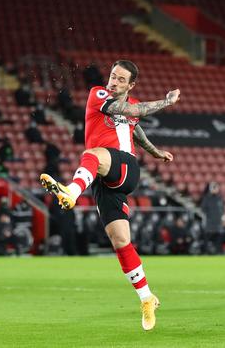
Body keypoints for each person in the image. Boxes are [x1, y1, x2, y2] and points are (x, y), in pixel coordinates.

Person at [39, 60, 180, 331]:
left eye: (119, 80)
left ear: (131, 85)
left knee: (91, 154)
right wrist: (164, 107)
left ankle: (71, 191)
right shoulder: (98, 94)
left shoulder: (129, 104)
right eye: (112, 77)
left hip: (126, 166)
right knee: (120, 241)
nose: (113, 82)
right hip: (104, 178)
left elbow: (135, 125)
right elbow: (132, 115)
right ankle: (147, 297)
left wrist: (153, 152)